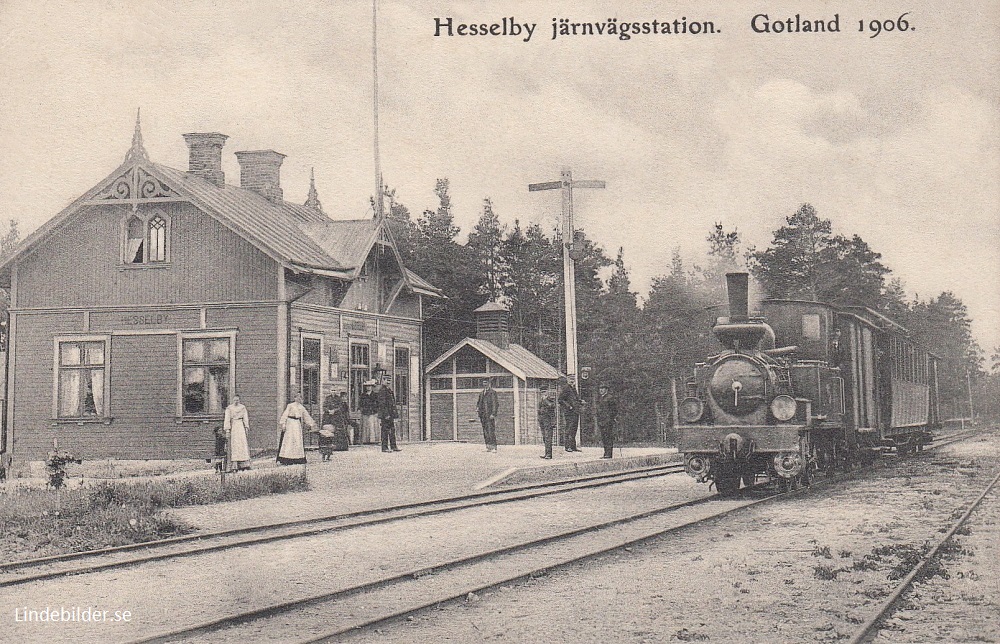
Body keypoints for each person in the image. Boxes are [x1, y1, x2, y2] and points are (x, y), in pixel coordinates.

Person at [277, 392, 315, 465]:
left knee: (297, 440)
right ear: (294, 398)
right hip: (290, 423)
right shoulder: (290, 406)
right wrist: (283, 425)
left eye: (300, 397)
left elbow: (306, 416)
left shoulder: (301, 407)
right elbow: (285, 415)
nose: (298, 399)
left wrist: (311, 424)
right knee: (289, 440)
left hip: (297, 424)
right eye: (297, 397)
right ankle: (286, 458)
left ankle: (298, 458)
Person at [223, 394, 252, 471]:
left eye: (237, 400)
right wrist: (227, 430)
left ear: (239, 400)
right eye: (235, 400)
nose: (236, 401)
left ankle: (244, 464)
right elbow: (227, 419)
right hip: (234, 427)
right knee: (234, 445)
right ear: (232, 400)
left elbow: (245, 418)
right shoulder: (229, 408)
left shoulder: (242, 408)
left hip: (240, 426)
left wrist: (246, 427)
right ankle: (234, 465)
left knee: (242, 444)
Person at [375, 377, 401, 453]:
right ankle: (384, 447)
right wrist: (386, 414)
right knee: (385, 431)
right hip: (385, 415)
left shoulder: (389, 390)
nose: (388, 382)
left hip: (390, 414)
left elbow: (392, 403)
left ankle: (393, 446)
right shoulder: (382, 391)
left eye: (390, 380)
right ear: (383, 381)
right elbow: (382, 404)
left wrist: (394, 414)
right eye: (387, 380)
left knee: (392, 430)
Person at [558, 376, 583, 452]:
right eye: (570, 379)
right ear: (568, 380)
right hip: (569, 412)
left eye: (573, 379)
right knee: (569, 428)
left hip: (575, 411)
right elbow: (560, 399)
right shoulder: (566, 388)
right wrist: (569, 406)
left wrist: (580, 401)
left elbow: (576, 399)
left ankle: (573, 446)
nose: (572, 381)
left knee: (574, 429)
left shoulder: (573, 389)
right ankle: (567, 446)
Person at [595, 383, 618, 459]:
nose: (601, 390)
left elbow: (614, 410)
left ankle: (609, 454)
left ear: (606, 390)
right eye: (600, 389)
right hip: (601, 420)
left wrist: (611, 418)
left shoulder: (610, 398)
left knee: (608, 437)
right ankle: (606, 453)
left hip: (608, 421)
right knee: (604, 437)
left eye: (603, 388)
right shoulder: (600, 398)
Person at [477, 378, 499, 452]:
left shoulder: (492, 392)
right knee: (485, 431)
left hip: (489, 415)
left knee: (491, 431)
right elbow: (479, 402)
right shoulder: (481, 393)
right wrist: (478, 408)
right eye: (483, 382)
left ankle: (494, 447)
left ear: (489, 383)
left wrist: (493, 413)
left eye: (486, 382)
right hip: (483, 415)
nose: (484, 384)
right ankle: (488, 447)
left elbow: (495, 404)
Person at [538, 384, 558, 459]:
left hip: (549, 420)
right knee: (544, 437)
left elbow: (551, 406)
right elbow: (539, 410)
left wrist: (545, 400)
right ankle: (546, 453)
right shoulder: (541, 400)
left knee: (548, 437)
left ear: (547, 392)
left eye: (544, 392)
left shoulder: (550, 398)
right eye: (542, 392)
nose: (543, 394)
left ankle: (549, 454)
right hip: (542, 420)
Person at [359, 380, 379, 444]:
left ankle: (372, 440)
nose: (368, 388)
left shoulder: (375, 395)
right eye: (367, 386)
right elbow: (360, 404)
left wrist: (375, 411)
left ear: (372, 387)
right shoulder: (363, 395)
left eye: (369, 386)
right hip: (365, 413)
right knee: (365, 426)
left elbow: (378, 404)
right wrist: (362, 409)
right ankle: (365, 440)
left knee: (372, 426)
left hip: (373, 413)